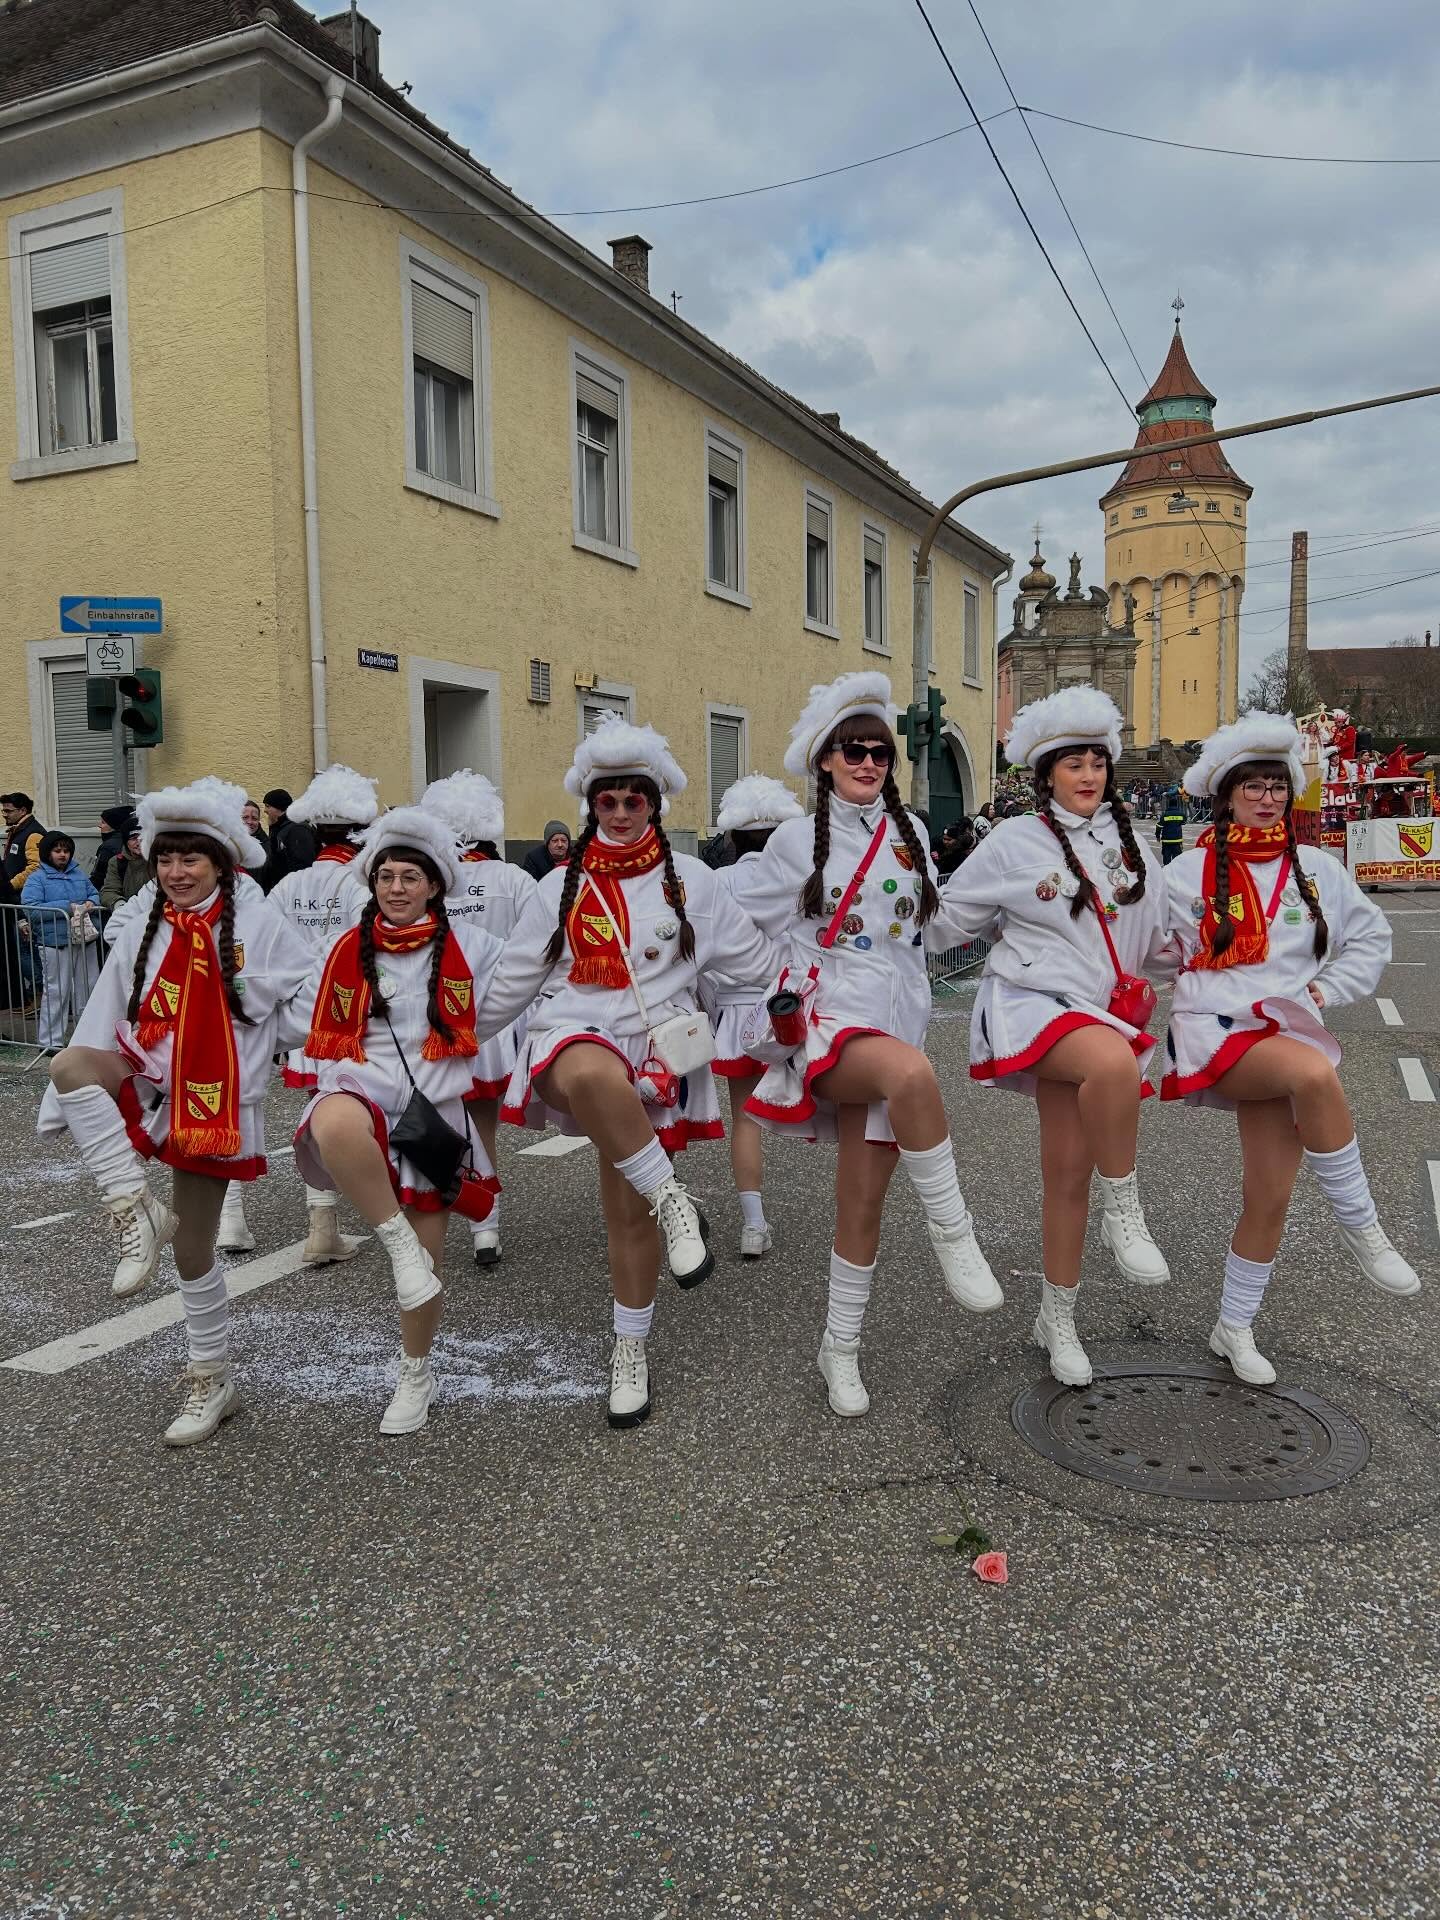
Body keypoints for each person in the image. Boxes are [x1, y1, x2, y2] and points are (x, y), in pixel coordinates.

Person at [478, 714, 776, 1431]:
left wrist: (817, 987)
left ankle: (630, 1349)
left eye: (631, 799)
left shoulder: (695, 882)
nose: (618, 812)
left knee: (624, 1214)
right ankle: (676, 1201)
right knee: (588, 1071)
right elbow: (513, 981)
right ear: (590, 805)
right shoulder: (558, 886)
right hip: (572, 1037)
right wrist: (442, 1036)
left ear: (653, 803)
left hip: (654, 1059)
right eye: (605, 800)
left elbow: (755, 964)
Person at [730, 672, 1002, 1421]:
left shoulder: (909, 831)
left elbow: (934, 930)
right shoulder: (793, 840)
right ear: (825, 758)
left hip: (898, 1018)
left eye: (881, 752)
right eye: (854, 750)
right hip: (832, 1028)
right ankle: (955, 1234)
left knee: (861, 1202)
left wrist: (1017, 915)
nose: (869, 762)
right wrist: (783, 977)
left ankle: (839, 1349)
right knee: (911, 1075)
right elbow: (735, 922)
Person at [38, 778, 313, 1445]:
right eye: (165, 858)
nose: (176, 871)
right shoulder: (142, 925)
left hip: (213, 1100)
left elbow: (307, 1002)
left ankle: (211, 1378)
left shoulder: (259, 924)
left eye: (191, 859)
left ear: (221, 863)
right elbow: (105, 1012)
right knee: (69, 1065)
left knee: (193, 1249)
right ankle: (135, 1206)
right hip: (149, 1079)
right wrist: (65, 1104)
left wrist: (248, 1032)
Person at [1159, 714, 1418, 1382]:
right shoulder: (1187, 872)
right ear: (1226, 795)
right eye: (1253, 786)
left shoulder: (1319, 870)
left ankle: (1233, 1327)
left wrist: (1324, 991)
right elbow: (1144, 949)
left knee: (1269, 1196)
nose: (1267, 797)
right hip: (1217, 1032)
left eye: (1277, 785)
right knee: (1316, 1075)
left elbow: (1372, 937)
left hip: (1287, 1030)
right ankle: (1363, 1227)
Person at [934, 687, 1169, 1388]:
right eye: (1073, 763)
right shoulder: (1014, 841)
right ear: (1046, 774)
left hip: (1100, 1011)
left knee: (1067, 1174)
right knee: (1114, 1067)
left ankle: (1056, 1319)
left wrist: (1227, 961)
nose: (1088, 774)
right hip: (1032, 1003)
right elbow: (947, 921)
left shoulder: (1136, 845)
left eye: (1097, 761)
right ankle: (1125, 1209)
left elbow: (1158, 943)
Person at [293, 808, 504, 1436]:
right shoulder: (340, 949)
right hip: (361, 1093)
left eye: (411, 877)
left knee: (427, 1272)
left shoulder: (476, 947)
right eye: (385, 876)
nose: (396, 887)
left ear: (435, 885)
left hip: (431, 1120)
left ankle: (416, 1373)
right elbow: (289, 1011)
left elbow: (533, 979)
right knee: (332, 1121)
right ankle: (395, 1243)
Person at [248, 763, 379, 1264]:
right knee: (366, 1111)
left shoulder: (288, 886)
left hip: (301, 1013)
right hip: (351, 1017)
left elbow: (265, 951)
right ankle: (387, 1214)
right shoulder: (364, 886)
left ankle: (322, 1220)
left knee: (317, 1113)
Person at [420, 767, 538, 1271]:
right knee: (481, 1124)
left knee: (436, 1120)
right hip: (494, 1017)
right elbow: (537, 949)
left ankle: (446, 1217)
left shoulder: (430, 882)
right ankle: (485, 1226)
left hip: (433, 1016)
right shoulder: (513, 879)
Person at [703, 773, 806, 1259]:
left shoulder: (718, 882)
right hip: (791, 1010)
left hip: (734, 1013)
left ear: (732, 836)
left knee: (745, 1118)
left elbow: (703, 953)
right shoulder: (797, 880)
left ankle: (753, 1224)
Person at [22, 832, 102, 1051]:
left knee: (87, 989)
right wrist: (68, 906)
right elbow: (31, 909)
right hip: (54, 942)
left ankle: (86, 1038)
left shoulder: (79, 874)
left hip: (84, 939)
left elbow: (95, 894)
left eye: (66, 851)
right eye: (57, 851)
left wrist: (90, 902)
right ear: (47, 853)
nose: (63, 855)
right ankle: (50, 1042)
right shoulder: (37, 878)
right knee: (56, 991)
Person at [259, 788, 317, 894]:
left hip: (292, 893)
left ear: (279, 807)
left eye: (268, 806)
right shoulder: (280, 827)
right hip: (282, 891)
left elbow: (303, 866)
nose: (265, 810)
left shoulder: (297, 829)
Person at [90, 805, 136, 903]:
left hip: (114, 900)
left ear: (114, 825)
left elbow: (98, 878)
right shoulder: (128, 843)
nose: (100, 826)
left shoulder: (107, 847)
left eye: (103, 822)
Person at [102, 823, 151, 912]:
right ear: (126, 842)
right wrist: (120, 905)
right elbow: (109, 891)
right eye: (134, 838)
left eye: (143, 837)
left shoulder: (160, 859)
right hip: (128, 912)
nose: (139, 842)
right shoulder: (117, 862)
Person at [1156, 785, 1186, 864]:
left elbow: (1159, 826)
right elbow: (1184, 822)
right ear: (1176, 804)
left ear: (1169, 804)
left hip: (1166, 841)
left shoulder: (1165, 815)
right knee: (1177, 861)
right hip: (1177, 840)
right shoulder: (1181, 814)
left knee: (1167, 861)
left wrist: (1157, 836)